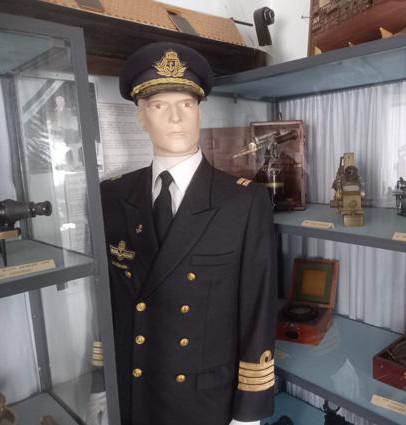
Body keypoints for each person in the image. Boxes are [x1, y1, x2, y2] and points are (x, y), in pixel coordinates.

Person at [100, 42, 276, 425]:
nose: (176, 118)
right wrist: (101, 381)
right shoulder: (112, 196)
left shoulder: (244, 202)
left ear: (199, 111)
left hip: (204, 401)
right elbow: (106, 300)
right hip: (133, 389)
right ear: (140, 117)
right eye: (159, 106)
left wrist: (248, 413)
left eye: (187, 104)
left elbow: (257, 310)